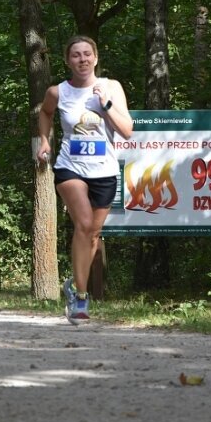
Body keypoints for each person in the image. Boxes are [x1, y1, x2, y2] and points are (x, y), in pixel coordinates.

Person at [36, 35, 133, 325]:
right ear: (68, 61)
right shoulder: (57, 92)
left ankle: (74, 285)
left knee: (92, 234)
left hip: (104, 170)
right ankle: (80, 297)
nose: (82, 59)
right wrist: (44, 140)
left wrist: (106, 104)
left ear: (96, 57)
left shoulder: (111, 87)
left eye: (87, 54)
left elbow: (127, 131)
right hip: (70, 167)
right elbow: (45, 112)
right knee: (84, 224)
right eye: (76, 55)